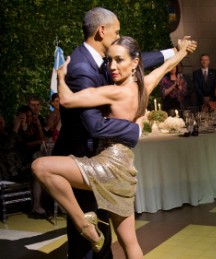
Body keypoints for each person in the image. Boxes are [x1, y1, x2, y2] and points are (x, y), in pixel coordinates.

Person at [47, 7, 196, 258]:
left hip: (104, 164)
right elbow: (147, 63)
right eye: (116, 32)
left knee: (97, 234)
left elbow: (69, 102)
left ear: (131, 62)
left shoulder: (114, 88)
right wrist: (178, 52)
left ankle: (88, 228)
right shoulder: (138, 82)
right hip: (120, 167)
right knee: (128, 242)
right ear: (102, 31)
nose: (112, 66)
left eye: (118, 60)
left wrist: (59, 77)